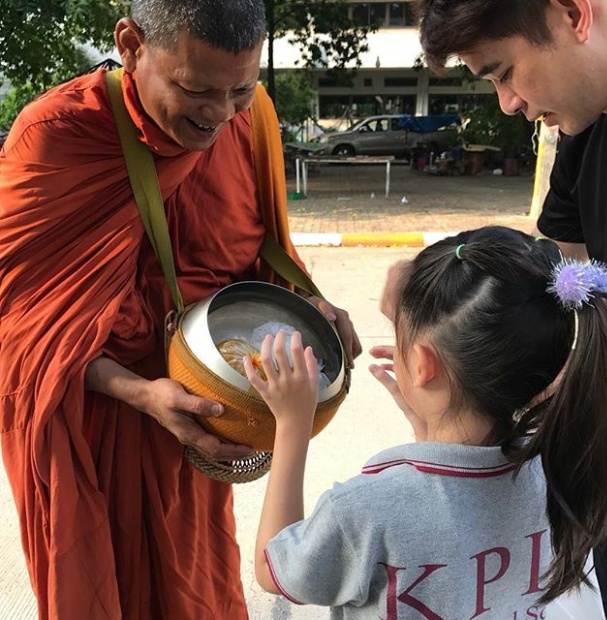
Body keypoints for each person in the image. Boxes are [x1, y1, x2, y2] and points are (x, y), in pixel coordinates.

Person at [0, 1, 361, 618]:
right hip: (101, 431)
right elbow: (20, 327)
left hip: (204, 426)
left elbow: (255, 257)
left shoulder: (254, 121)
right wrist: (143, 395)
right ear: (132, 44)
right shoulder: (57, 137)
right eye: (197, 90)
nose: (220, 115)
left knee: (197, 592)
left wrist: (307, 306)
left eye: (240, 90)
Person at [247, 226, 607, 619]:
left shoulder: (365, 510)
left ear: (423, 365)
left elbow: (274, 570)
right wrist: (427, 432)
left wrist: (292, 426)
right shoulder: (556, 472)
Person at [402, 3, 607, 617]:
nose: (508, 104)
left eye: (504, 72)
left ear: (572, 15)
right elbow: (564, 290)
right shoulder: (586, 129)